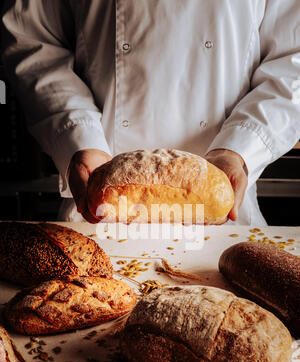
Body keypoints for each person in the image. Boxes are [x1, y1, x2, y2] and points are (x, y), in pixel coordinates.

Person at [2, 0, 300, 224]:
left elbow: (293, 59)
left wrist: (241, 149)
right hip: (101, 209)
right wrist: (79, 138)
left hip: (227, 212)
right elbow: (32, 39)